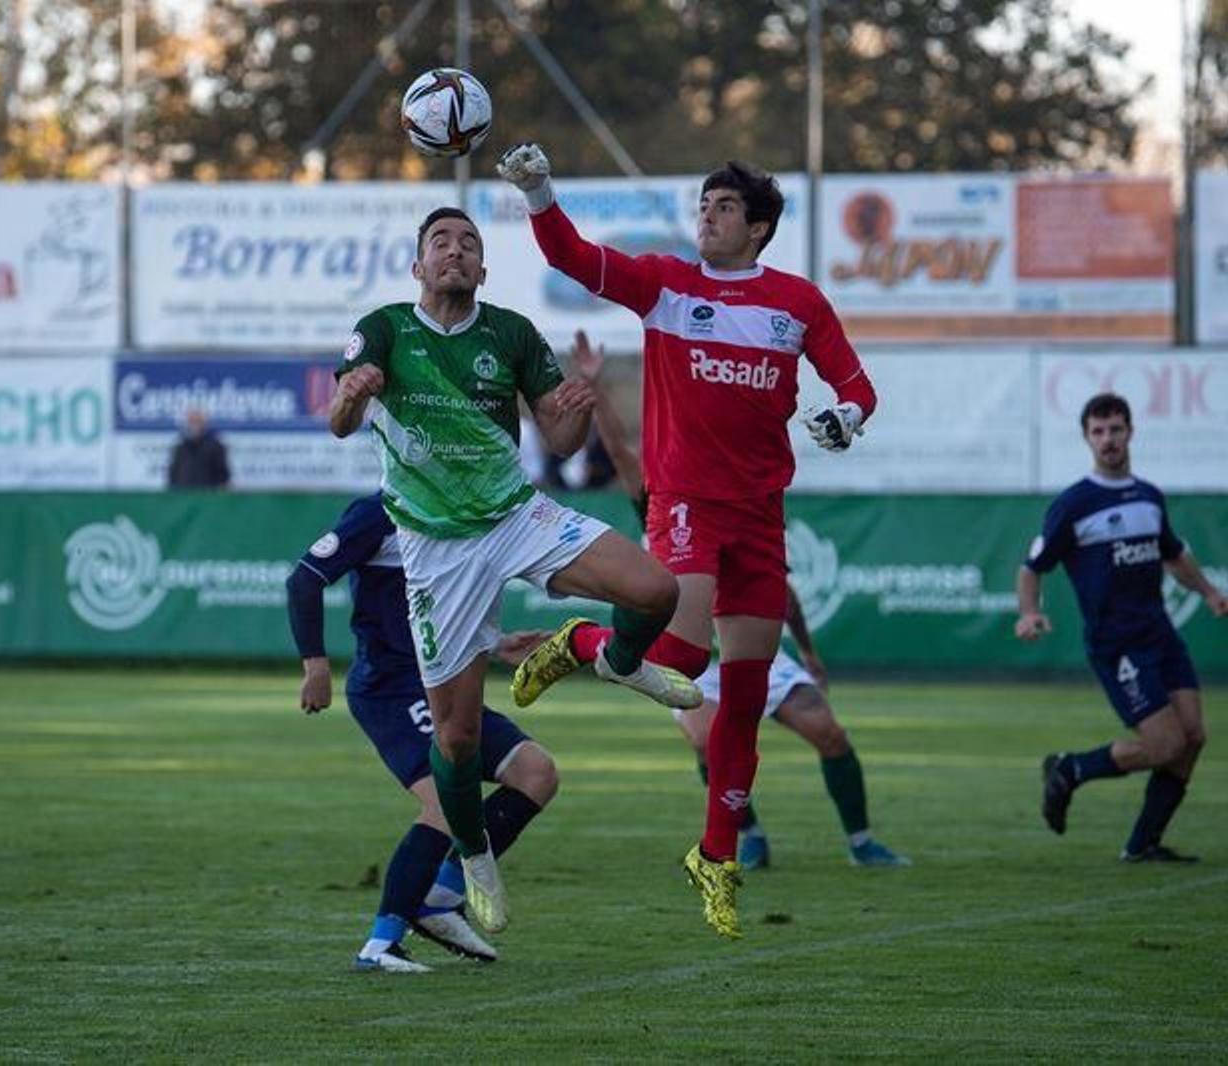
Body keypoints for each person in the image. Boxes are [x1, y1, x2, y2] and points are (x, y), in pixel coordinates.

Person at [497, 146, 878, 938]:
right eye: (703, 204)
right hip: (686, 504)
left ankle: (716, 855)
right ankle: (583, 639)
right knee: (678, 661)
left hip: (760, 517)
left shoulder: (797, 302)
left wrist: (847, 417)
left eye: (725, 207)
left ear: (760, 228)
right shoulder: (668, 284)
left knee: (741, 700)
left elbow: (856, 384)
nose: (708, 214)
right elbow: (571, 256)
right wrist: (539, 189)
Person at [328, 206, 701, 936]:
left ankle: (621, 661)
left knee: (656, 588)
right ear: (418, 266)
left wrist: (578, 408)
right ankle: (473, 853)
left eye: (469, 243)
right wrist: (352, 392)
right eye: (441, 242)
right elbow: (341, 423)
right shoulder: (384, 329)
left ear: (484, 267)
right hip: (437, 548)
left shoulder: (511, 333)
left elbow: (559, 442)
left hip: (515, 515)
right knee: (457, 739)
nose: (456, 252)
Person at [567, 331, 907, 872]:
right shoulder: (654, 502)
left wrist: (809, 651)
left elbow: (782, 589)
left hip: (749, 644)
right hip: (689, 654)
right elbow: (621, 451)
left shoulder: (732, 500)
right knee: (707, 740)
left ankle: (863, 841)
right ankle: (747, 835)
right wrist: (595, 386)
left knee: (829, 732)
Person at [287, 493, 556, 973]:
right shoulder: (377, 513)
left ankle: (441, 895)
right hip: (392, 687)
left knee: (536, 773)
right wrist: (316, 665)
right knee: (447, 803)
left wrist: (494, 643)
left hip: (445, 680)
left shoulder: (458, 511)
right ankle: (380, 945)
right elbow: (303, 580)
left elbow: (438, 611)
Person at [1015, 392, 1228, 863]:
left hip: (1161, 635)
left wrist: (1210, 593)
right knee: (1165, 744)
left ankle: (1142, 844)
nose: (1108, 439)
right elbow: (1032, 567)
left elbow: (1174, 555)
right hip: (1117, 645)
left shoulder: (1149, 497)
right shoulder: (1074, 504)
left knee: (1193, 737)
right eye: (1098, 431)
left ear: (1130, 431)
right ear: (1086, 438)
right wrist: (1029, 612)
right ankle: (1071, 769)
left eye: (1115, 429)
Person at [166, 407, 231, 489]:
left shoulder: (215, 446)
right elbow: (173, 474)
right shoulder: (181, 447)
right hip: (183, 496)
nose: (194, 426)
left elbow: (223, 475)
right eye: (191, 422)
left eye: (197, 422)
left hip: (207, 495)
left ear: (204, 423)